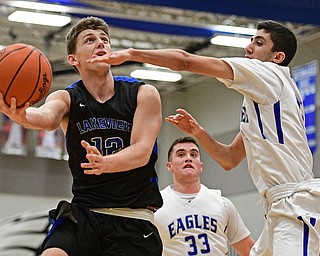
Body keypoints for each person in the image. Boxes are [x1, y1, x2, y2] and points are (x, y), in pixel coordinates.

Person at [90, 20, 320, 255]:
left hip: (296, 204)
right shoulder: (264, 102)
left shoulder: (268, 73)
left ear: (277, 57)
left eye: (259, 43)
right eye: (251, 40)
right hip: (278, 207)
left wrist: (132, 53)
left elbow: (185, 60)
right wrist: (198, 133)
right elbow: (229, 159)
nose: (248, 47)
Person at [0, 16, 163, 256]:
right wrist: (21, 116)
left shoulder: (143, 93)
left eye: (104, 39)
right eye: (90, 40)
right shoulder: (66, 97)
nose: (100, 43)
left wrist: (105, 163)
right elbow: (46, 117)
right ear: (73, 59)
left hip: (133, 216)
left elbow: (142, 152)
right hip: (85, 213)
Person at [155, 136, 254, 256]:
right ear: (169, 166)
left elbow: (249, 249)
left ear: (201, 166)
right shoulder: (156, 205)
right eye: (181, 155)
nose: (188, 158)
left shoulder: (222, 203)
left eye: (193, 154)